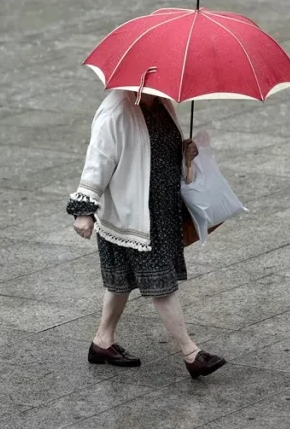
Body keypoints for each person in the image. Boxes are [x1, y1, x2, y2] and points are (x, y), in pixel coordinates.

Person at [66, 89, 226, 379]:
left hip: (161, 213)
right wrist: (84, 210)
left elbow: (159, 153)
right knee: (161, 284)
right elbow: (97, 160)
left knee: (121, 282)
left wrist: (184, 154)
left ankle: (102, 341)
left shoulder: (162, 104)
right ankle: (191, 354)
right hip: (132, 216)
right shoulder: (115, 110)